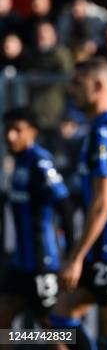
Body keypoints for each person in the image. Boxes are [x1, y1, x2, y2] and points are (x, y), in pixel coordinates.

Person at [50, 57, 107, 350]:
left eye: (77, 83)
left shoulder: (105, 131)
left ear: (98, 85)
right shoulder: (104, 127)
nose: (71, 90)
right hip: (102, 248)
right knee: (58, 320)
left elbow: (103, 202)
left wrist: (75, 257)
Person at [0, 107, 73, 329]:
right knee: (3, 321)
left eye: (17, 130)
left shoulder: (40, 162)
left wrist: (71, 256)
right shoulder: (17, 162)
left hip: (43, 263)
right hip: (20, 263)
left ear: (32, 132)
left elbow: (65, 206)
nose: (10, 136)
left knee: (53, 329)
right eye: (7, 130)